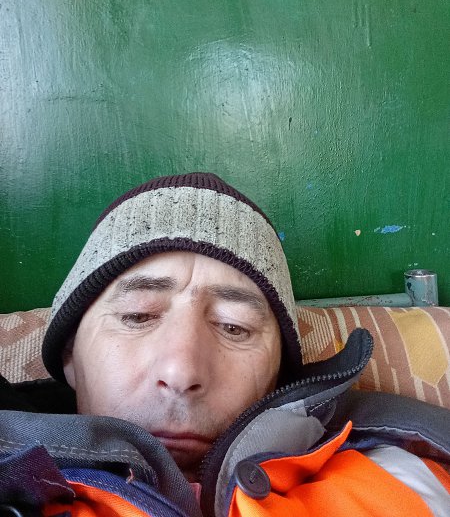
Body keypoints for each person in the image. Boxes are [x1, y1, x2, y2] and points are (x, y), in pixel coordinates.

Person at [1, 172, 449, 516]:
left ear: (279, 371)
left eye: (234, 327)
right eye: (137, 316)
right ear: (70, 355)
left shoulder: (403, 478)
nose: (182, 371)